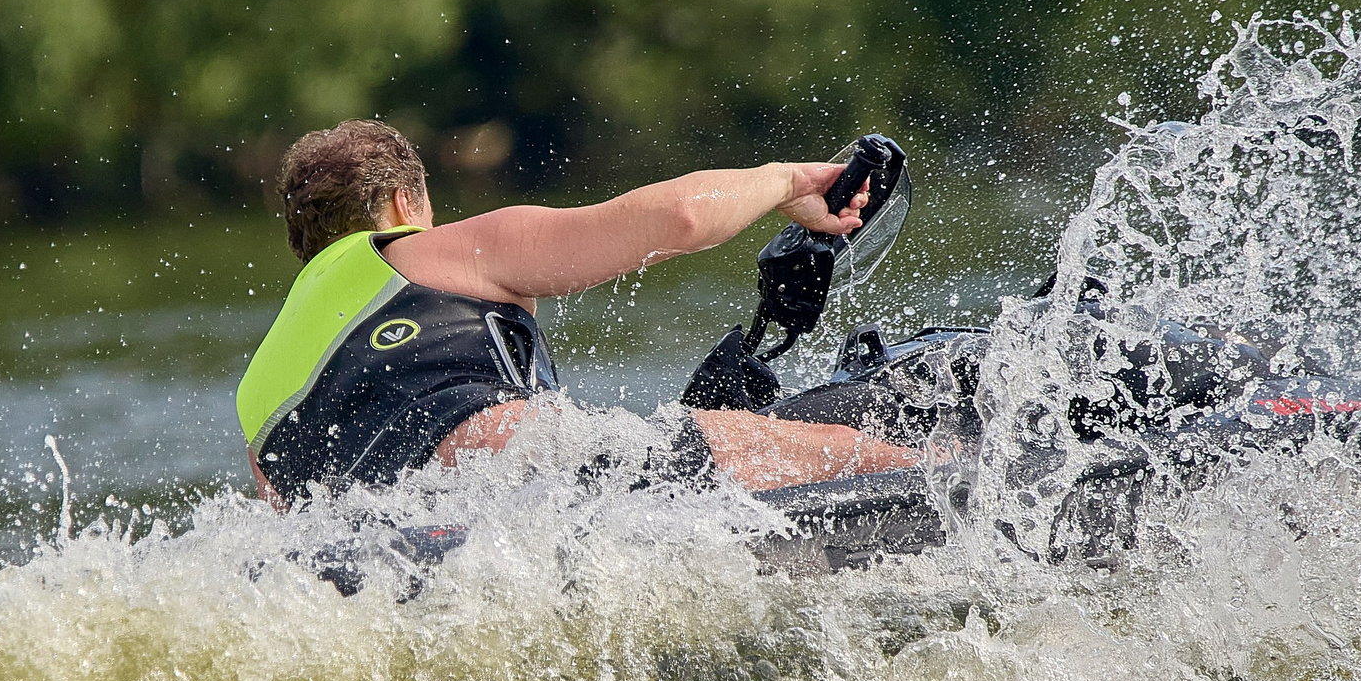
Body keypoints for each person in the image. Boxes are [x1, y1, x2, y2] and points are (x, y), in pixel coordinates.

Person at [235, 119, 919, 503]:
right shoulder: (428, 251)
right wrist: (788, 182)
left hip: (396, 556)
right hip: (504, 475)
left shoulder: (254, 392)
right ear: (406, 206)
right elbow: (677, 219)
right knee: (868, 458)